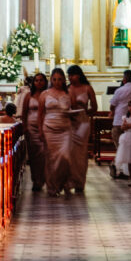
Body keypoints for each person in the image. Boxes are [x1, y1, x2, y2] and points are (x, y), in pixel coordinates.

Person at [39, 68, 73, 197]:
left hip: (65, 129)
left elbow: (74, 109)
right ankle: (52, 186)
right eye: (54, 79)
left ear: (64, 80)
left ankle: (62, 182)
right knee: (51, 159)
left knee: (65, 157)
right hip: (49, 128)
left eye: (60, 79)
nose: (57, 82)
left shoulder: (68, 94)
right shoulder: (45, 94)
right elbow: (40, 114)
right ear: (51, 80)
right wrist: (41, 130)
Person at [67, 64, 97, 194]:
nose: (70, 77)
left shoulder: (87, 88)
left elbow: (94, 107)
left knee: (81, 153)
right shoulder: (68, 88)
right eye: (69, 75)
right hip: (70, 122)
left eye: (72, 75)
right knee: (71, 152)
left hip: (83, 122)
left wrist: (85, 114)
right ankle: (70, 181)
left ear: (78, 75)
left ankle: (80, 182)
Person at [21, 72, 48, 191]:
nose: (39, 82)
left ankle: (43, 179)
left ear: (45, 82)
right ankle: (35, 180)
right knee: (33, 155)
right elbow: (24, 112)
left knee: (43, 154)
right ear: (33, 83)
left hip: (44, 126)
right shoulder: (28, 95)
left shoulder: (48, 95)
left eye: (41, 80)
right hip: (31, 127)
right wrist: (25, 126)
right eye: (36, 80)